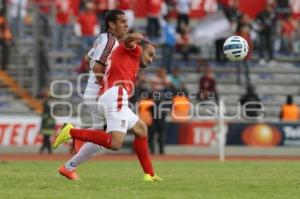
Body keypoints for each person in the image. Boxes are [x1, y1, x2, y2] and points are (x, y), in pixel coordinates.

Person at [53, 34, 163, 182]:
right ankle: (71, 132)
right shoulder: (133, 50)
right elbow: (127, 41)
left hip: (112, 96)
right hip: (115, 94)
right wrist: (133, 36)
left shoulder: (128, 57)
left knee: (141, 129)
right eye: (150, 54)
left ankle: (149, 174)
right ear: (139, 47)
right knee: (115, 143)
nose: (151, 59)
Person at [59, 9, 128, 179]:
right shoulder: (110, 41)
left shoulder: (102, 39)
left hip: (94, 92)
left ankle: (69, 166)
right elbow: (97, 67)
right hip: (100, 94)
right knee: (109, 138)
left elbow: (87, 59)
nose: (126, 25)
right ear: (111, 24)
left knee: (102, 138)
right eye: (122, 22)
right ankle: (72, 133)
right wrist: (103, 87)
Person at [39, 89, 55, 154]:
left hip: (47, 122)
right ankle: (47, 150)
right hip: (48, 122)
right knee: (46, 137)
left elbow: (45, 113)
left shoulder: (47, 103)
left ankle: (44, 150)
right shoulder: (49, 103)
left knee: (46, 137)